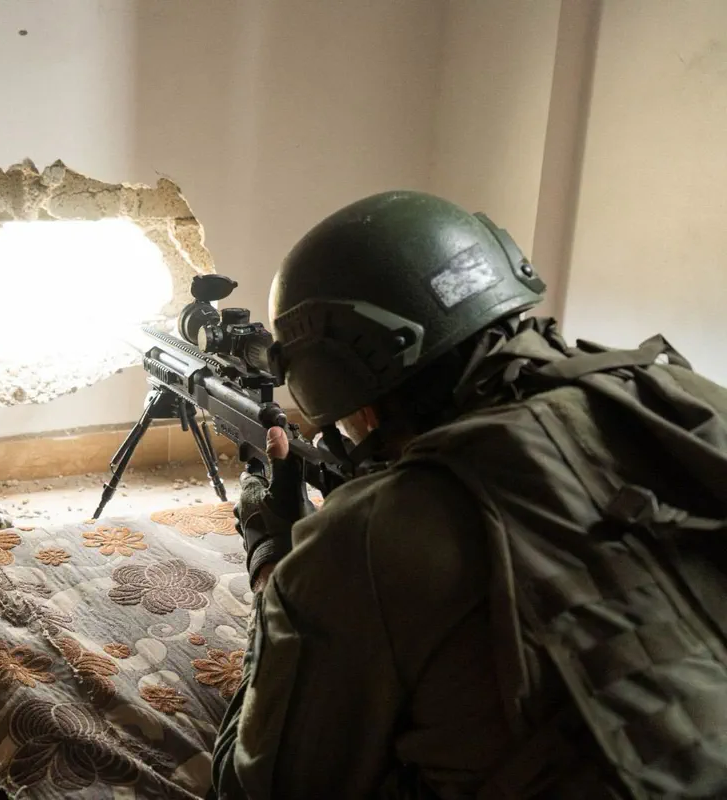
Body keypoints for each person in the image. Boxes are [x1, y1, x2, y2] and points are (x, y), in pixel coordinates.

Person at [209, 190, 727, 799]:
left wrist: (275, 569)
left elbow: (253, 787)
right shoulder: (680, 398)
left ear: (337, 378)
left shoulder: (369, 537)